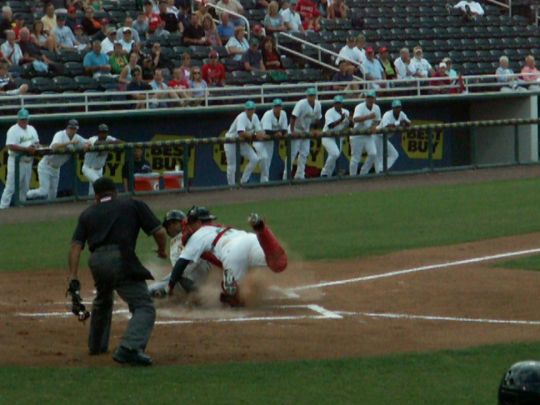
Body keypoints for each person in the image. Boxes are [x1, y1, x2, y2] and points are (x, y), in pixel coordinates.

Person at [68, 176, 167, 365]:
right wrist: (162, 250)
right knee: (144, 306)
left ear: (96, 197)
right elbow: (159, 232)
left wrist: (73, 277)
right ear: (115, 192)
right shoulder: (132, 204)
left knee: (103, 299)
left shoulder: (87, 213)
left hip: (96, 261)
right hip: (121, 257)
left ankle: (96, 346)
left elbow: (75, 247)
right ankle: (129, 348)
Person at [167, 208, 287, 306]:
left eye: (191, 223)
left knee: (232, 297)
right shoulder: (219, 228)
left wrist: (170, 285)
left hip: (232, 250)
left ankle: (231, 289)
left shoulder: (197, 235)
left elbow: (181, 263)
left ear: (198, 222)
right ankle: (261, 229)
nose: (189, 227)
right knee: (278, 264)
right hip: (250, 238)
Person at [147, 209, 212, 297]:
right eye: (169, 224)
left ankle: (197, 295)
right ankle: (196, 296)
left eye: (174, 222)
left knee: (151, 291)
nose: (171, 226)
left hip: (190, 273)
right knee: (156, 288)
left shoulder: (186, 235)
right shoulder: (177, 240)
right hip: (189, 275)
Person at [27, 120, 88, 201]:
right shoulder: (60, 134)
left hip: (56, 169)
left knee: (53, 196)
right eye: (71, 128)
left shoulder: (77, 138)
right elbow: (54, 146)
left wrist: (87, 145)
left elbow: (88, 142)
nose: (72, 130)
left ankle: (49, 213)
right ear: (67, 128)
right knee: (43, 191)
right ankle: (24, 195)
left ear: (77, 129)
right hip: (46, 165)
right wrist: (69, 143)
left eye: (74, 129)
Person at [0, 109, 40, 210]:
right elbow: (10, 146)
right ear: (18, 119)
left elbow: (37, 142)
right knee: (10, 187)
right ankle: (3, 208)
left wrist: (35, 147)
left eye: (25, 119)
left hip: (28, 161)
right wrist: (26, 149)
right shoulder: (13, 130)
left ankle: (21, 209)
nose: (23, 121)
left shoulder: (31, 129)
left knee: (25, 187)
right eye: (22, 119)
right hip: (16, 162)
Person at [283, 87, 322, 180]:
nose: (311, 97)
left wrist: (314, 130)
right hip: (296, 129)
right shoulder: (301, 104)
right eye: (310, 96)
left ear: (315, 96)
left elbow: (317, 119)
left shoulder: (318, 104)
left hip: (306, 130)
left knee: (304, 153)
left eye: (313, 96)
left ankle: (300, 175)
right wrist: (292, 131)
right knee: (292, 154)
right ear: (307, 96)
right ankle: (286, 176)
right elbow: (293, 117)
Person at [224, 101, 267, 185]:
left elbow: (259, 132)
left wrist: (259, 135)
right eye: (248, 109)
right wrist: (254, 136)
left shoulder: (255, 117)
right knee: (232, 166)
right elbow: (241, 133)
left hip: (241, 142)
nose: (250, 111)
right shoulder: (242, 117)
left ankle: (243, 181)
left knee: (254, 159)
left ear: (254, 109)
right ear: (245, 110)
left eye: (251, 109)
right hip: (231, 141)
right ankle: (231, 187)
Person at [82, 124, 120, 196]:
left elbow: (120, 142)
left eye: (105, 132)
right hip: (88, 168)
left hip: (99, 170)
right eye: (101, 132)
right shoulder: (92, 139)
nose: (103, 134)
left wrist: (111, 142)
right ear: (98, 133)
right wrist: (109, 143)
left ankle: (91, 203)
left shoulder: (109, 138)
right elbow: (97, 143)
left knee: (93, 193)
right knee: (100, 184)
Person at [256, 98, 288, 183]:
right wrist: (277, 133)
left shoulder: (283, 114)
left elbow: (284, 129)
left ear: (281, 107)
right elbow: (267, 130)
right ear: (273, 107)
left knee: (268, 161)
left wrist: (280, 133)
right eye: (276, 106)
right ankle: (246, 181)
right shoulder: (268, 114)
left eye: (279, 106)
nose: (277, 108)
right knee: (264, 158)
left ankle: (264, 181)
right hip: (259, 140)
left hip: (270, 140)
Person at [350, 91, 380, 176]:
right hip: (357, 134)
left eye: (371, 97)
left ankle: (363, 173)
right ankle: (352, 177)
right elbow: (355, 119)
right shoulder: (359, 107)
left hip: (368, 135)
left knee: (373, 154)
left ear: (374, 99)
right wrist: (368, 117)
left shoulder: (376, 108)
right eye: (368, 97)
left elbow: (377, 121)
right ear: (365, 98)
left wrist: (373, 127)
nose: (370, 99)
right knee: (356, 158)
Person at [375, 100, 411, 172]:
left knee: (394, 154)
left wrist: (405, 122)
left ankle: (381, 170)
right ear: (392, 108)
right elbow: (387, 127)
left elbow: (409, 123)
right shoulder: (387, 114)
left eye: (399, 107)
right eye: (396, 107)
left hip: (384, 138)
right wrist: (398, 123)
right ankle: (378, 173)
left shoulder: (402, 114)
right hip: (377, 136)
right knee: (379, 157)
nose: (397, 109)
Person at [320, 96, 350, 177]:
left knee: (335, 155)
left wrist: (349, 119)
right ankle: (324, 173)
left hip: (338, 136)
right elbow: (330, 125)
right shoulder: (329, 112)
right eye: (336, 103)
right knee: (335, 154)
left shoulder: (346, 112)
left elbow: (349, 124)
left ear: (341, 104)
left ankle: (328, 176)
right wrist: (341, 119)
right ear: (334, 104)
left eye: (339, 103)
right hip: (327, 136)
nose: (338, 105)